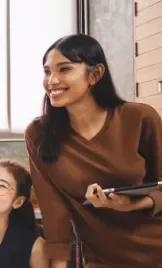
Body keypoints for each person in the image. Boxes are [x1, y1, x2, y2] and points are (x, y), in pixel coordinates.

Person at [25, 33, 162, 267]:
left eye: (64, 69)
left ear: (95, 74)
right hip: (102, 257)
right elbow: (54, 212)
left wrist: (132, 204)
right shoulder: (39, 134)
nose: (52, 80)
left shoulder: (140, 118)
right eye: (47, 72)